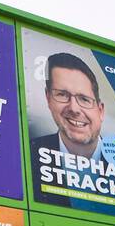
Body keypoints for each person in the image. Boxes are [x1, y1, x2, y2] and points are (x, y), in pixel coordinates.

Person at [28, 52, 106, 208]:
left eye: (84, 99)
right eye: (62, 95)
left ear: (100, 110)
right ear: (48, 98)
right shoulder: (28, 155)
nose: (74, 108)